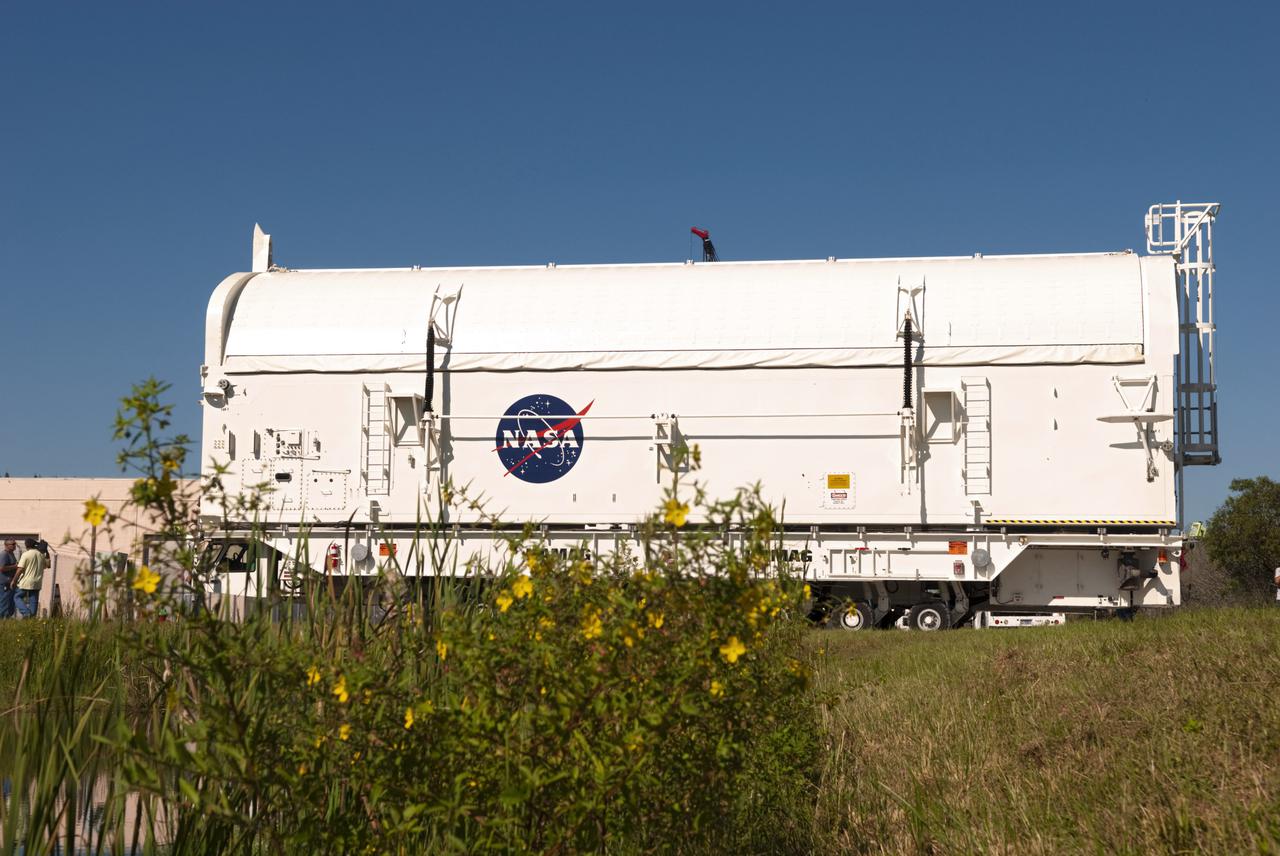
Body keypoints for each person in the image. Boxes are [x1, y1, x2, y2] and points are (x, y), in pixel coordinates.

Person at [14, 538, 45, 619]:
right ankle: (31, 618)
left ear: (26, 545)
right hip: (37, 582)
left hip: (26, 581)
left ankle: (26, 612)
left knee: (17, 597)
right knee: (33, 600)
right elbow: (46, 566)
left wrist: (14, 580)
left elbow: (20, 569)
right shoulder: (41, 555)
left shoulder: (26, 554)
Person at [0, 539, 18, 618]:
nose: (14, 545)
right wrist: (15, 566)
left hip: (11, 582)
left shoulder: (11, 553)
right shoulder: (4, 554)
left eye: (15, 544)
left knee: (10, 602)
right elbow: (2, 568)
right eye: (12, 544)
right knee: (4, 601)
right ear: (6, 545)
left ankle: (7, 619)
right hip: (5, 582)